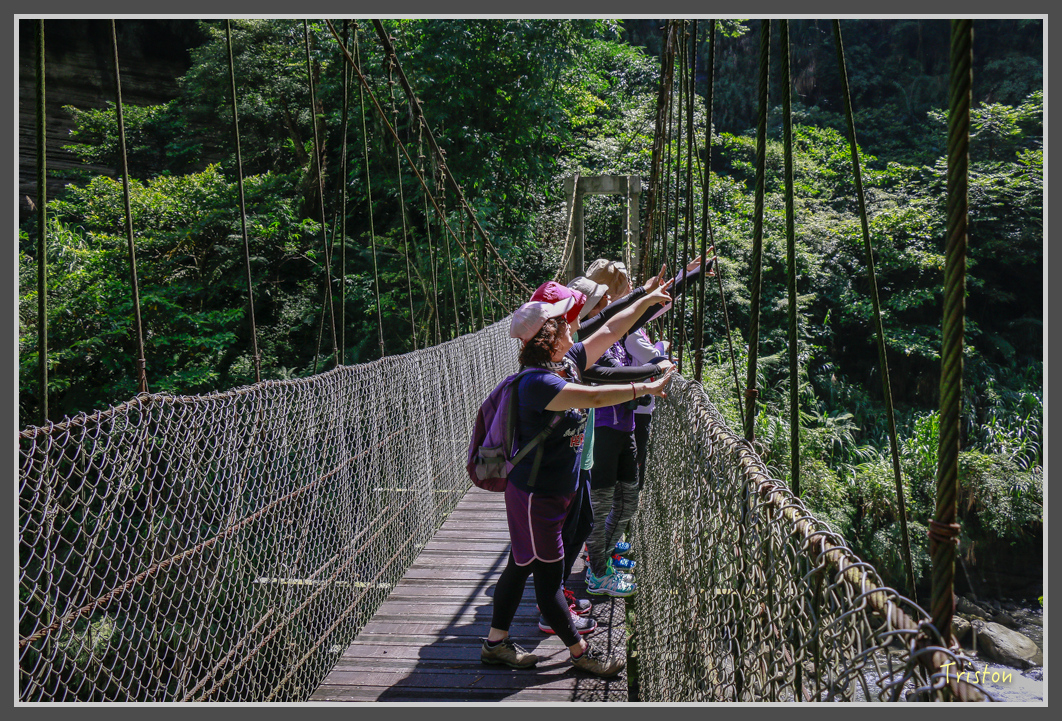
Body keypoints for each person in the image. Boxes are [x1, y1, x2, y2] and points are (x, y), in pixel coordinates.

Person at [480, 280, 676, 677]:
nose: (575, 326)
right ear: (549, 337)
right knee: (548, 580)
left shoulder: (566, 361)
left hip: (553, 492)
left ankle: (495, 644)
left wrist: (646, 300)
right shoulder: (538, 383)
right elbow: (595, 398)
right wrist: (648, 387)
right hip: (535, 496)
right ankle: (581, 653)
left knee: (520, 565)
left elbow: (612, 329)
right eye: (566, 324)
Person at [581, 254, 714, 597]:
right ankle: (598, 570)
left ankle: (604, 556)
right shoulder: (591, 337)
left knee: (628, 499)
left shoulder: (613, 324)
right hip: (605, 428)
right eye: (611, 296)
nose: (622, 297)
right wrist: (656, 369)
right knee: (603, 503)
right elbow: (607, 373)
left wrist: (691, 273)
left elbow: (648, 306)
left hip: (624, 424)